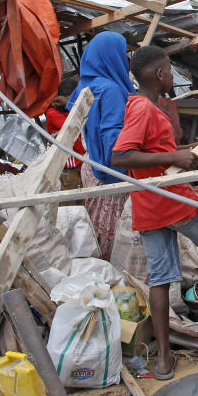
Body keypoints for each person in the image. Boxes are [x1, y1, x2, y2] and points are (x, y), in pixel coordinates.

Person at [112, 45, 198, 380]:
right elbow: (121, 157)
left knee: (160, 279)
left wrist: (187, 153)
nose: (172, 75)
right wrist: (175, 159)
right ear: (159, 75)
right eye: (169, 69)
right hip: (172, 200)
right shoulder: (144, 109)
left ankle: (163, 359)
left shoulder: (146, 106)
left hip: (149, 206)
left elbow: (155, 152)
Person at [65, 31, 134, 258]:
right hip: (110, 171)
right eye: (123, 54)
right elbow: (114, 141)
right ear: (110, 56)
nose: (126, 60)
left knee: (99, 228)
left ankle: (101, 273)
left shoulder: (85, 86)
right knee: (117, 234)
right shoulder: (111, 89)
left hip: (90, 166)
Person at [45, 78, 85, 189]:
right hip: (68, 166)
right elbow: (72, 125)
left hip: (79, 163)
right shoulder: (52, 113)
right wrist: (70, 104)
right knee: (70, 203)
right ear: (68, 97)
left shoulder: (68, 111)